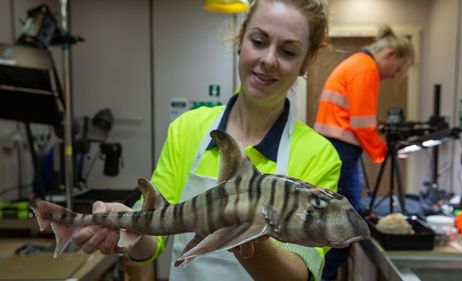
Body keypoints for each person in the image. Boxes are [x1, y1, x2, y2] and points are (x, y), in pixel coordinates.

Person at [73, 1, 342, 280]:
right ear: (241, 41)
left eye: (288, 51)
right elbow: (152, 243)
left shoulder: (319, 154)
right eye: (259, 41)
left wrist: (240, 229)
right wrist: (128, 230)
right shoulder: (187, 128)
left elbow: (298, 274)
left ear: (305, 62)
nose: (269, 59)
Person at [313, 25, 415, 280]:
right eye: (399, 69)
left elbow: (356, 116)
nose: (394, 75)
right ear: (390, 54)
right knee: (345, 227)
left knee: (335, 222)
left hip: (334, 146)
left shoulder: (356, 64)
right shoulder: (366, 68)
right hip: (342, 150)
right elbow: (361, 124)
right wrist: (384, 152)